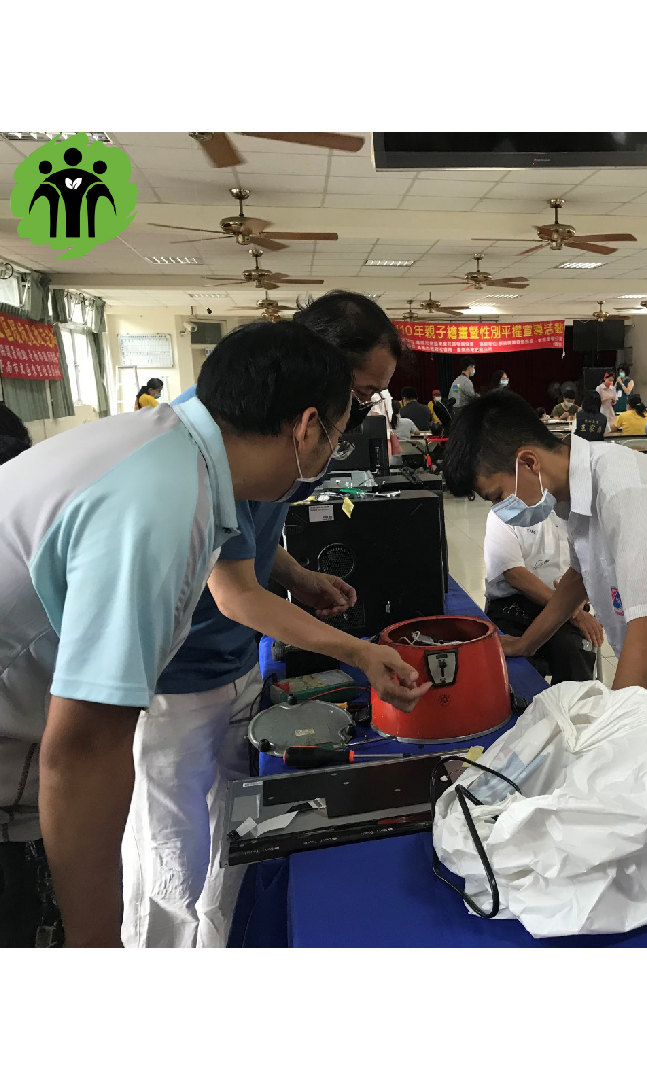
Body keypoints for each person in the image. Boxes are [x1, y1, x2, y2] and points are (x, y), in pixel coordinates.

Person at [0, 321, 408, 948]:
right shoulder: (162, 505)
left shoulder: (175, 445)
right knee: (159, 859)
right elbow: (82, 749)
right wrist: (94, 947)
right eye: (338, 431)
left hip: (31, 746)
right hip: (19, 757)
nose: (334, 453)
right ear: (306, 427)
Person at [118, 294, 431, 951]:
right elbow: (234, 592)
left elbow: (247, 539)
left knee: (229, 836)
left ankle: (216, 947)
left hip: (232, 664)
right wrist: (357, 653)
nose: (360, 414)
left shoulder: (287, 435)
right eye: (361, 395)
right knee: (172, 854)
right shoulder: (212, 436)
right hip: (175, 680)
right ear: (317, 373)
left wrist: (297, 575)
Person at [444, 392, 647, 767]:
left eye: (498, 496)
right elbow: (580, 573)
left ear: (528, 462)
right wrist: (526, 644)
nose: (501, 510)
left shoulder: (626, 492)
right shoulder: (570, 487)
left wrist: (608, 737)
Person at [483, 507, 603, 685]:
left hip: (569, 606)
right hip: (514, 605)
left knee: (573, 654)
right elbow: (515, 575)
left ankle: (572, 702)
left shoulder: (576, 512)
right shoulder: (503, 513)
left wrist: (579, 601)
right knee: (516, 667)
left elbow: (590, 571)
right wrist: (574, 613)